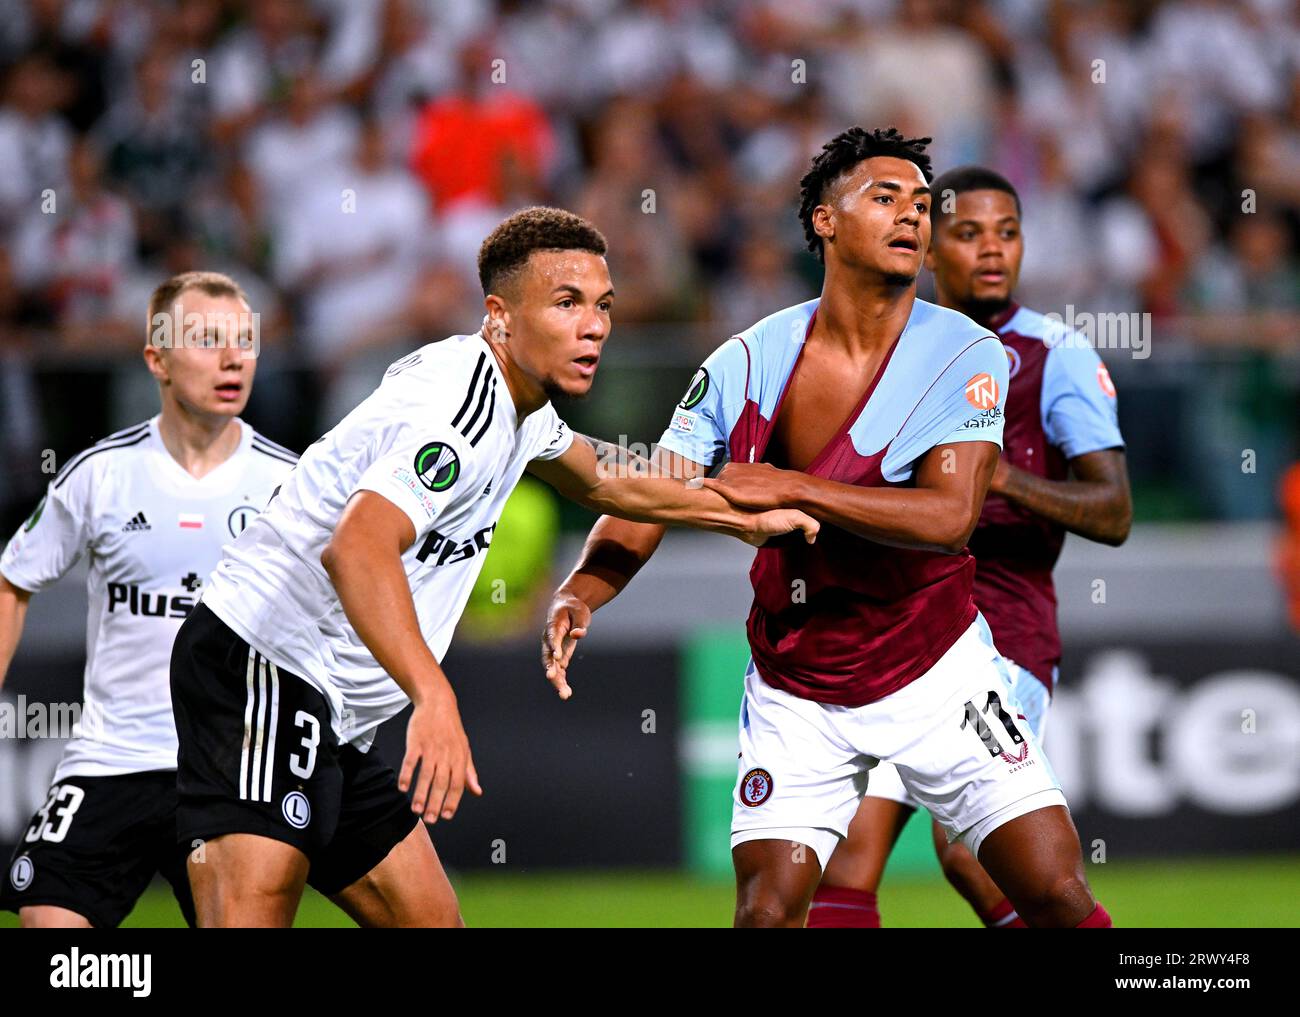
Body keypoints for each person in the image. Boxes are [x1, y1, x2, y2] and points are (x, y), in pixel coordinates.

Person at [169, 207, 819, 928]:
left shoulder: (521, 405)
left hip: (330, 706)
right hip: (264, 665)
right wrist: (433, 695)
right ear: (500, 317)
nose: (595, 325)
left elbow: (607, 477)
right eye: (566, 303)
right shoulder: (462, 409)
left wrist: (737, 515)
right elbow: (355, 547)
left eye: (603, 305)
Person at [543, 129, 1113, 928]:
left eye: (921, 204)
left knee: (1054, 893)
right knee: (768, 912)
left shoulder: (968, 353)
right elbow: (654, 489)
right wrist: (584, 589)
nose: (912, 217)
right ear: (824, 220)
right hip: (797, 682)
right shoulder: (748, 358)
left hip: (938, 669)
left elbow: (950, 520)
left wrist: (795, 486)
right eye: (886, 199)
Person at [808, 165, 1131, 928]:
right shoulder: (887, 347)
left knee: (971, 852)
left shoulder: (1058, 356)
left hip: (1002, 634)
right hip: (896, 628)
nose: (992, 249)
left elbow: (1114, 511)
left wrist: (1004, 479)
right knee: (845, 859)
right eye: (968, 232)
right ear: (926, 247)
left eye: (1008, 232)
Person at [0, 271, 293, 928]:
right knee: (48, 925)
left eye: (245, 340)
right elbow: (11, 581)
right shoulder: (101, 475)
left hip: (231, 773)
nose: (233, 357)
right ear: (157, 358)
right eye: (208, 339)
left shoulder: (290, 486)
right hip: (113, 759)